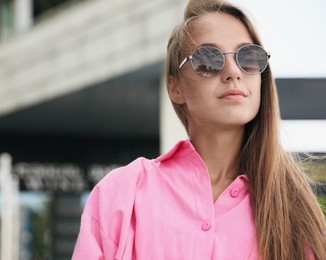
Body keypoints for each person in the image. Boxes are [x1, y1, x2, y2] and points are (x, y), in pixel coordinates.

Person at [72, 0, 326, 259]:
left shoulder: (295, 210)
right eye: (208, 60)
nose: (233, 72)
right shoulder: (123, 194)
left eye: (248, 57)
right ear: (175, 87)